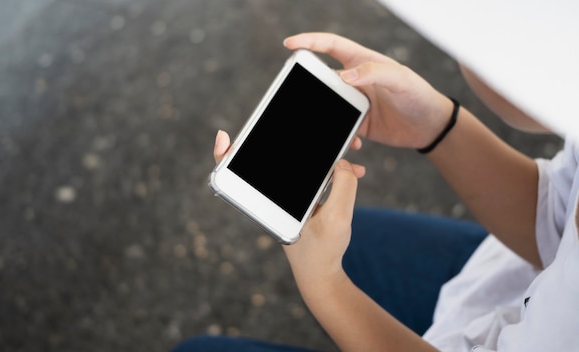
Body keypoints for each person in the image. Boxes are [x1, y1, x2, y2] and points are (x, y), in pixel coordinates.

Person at [172, 1, 579, 350]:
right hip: (504, 280)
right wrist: (436, 125)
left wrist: (327, 287)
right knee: (353, 236)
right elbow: (555, 219)